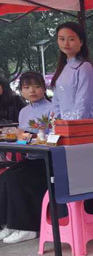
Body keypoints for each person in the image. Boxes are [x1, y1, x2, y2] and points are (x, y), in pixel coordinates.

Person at [0, 72, 53, 244]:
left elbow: (54, 138)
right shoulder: (23, 112)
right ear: (21, 90)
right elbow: (22, 138)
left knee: (17, 179)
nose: (32, 91)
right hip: (31, 158)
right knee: (6, 177)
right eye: (27, 87)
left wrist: (27, 136)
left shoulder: (52, 109)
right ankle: (9, 224)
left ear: (44, 88)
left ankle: (27, 228)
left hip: (47, 160)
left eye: (37, 86)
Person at [51, 22, 93, 120]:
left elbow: (84, 103)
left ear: (81, 42)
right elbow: (56, 102)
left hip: (79, 125)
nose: (66, 43)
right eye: (62, 39)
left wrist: (72, 124)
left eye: (71, 39)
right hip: (63, 126)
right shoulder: (61, 69)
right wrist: (56, 122)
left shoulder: (85, 67)